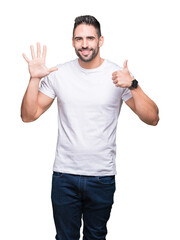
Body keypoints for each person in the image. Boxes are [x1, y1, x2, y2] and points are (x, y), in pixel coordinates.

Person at [21, 15, 159, 240]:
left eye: (90, 38)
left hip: (101, 177)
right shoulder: (59, 74)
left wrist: (133, 85)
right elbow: (28, 115)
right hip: (65, 175)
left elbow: (152, 118)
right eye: (79, 39)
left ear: (100, 40)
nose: (84, 44)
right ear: (73, 41)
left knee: (96, 237)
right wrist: (34, 79)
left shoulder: (118, 76)